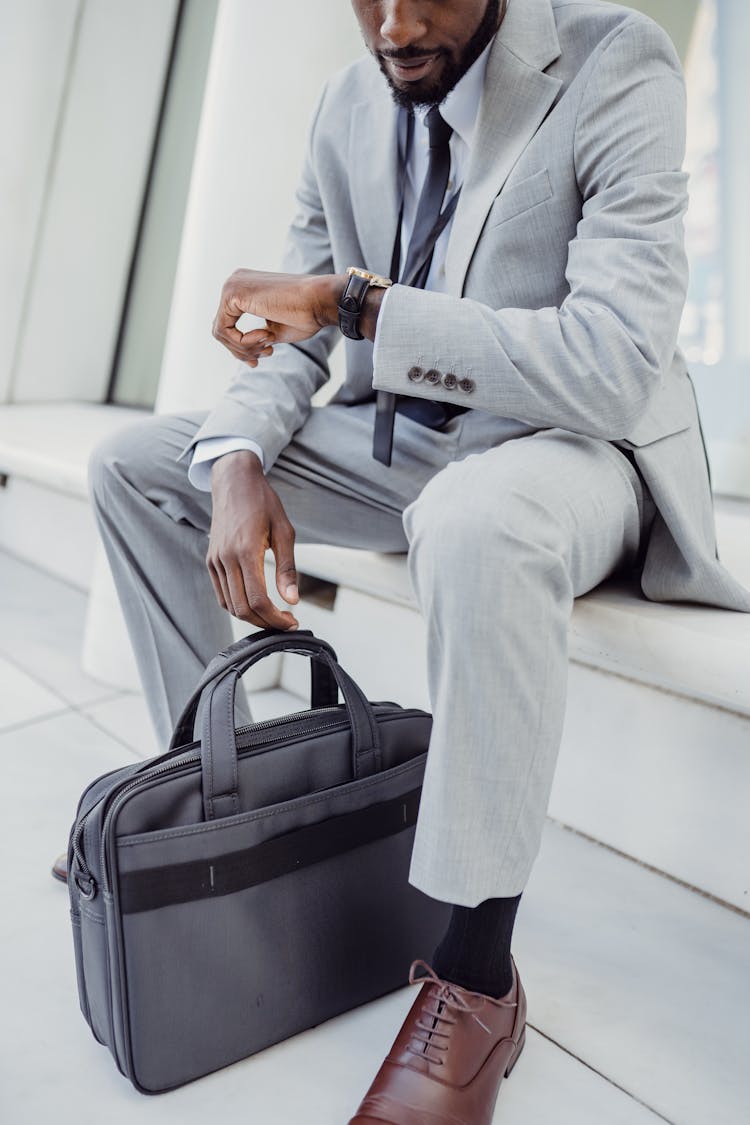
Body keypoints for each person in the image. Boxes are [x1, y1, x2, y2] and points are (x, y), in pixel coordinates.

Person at [57, 0, 750, 1120]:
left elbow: (614, 362)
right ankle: (219, 823)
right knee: (142, 465)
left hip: (569, 451)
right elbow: (295, 335)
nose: (392, 25)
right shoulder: (346, 104)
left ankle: (478, 973)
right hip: (405, 447)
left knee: (474, 521)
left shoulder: (616, 61)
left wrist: (359, 303)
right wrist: (237, 457)